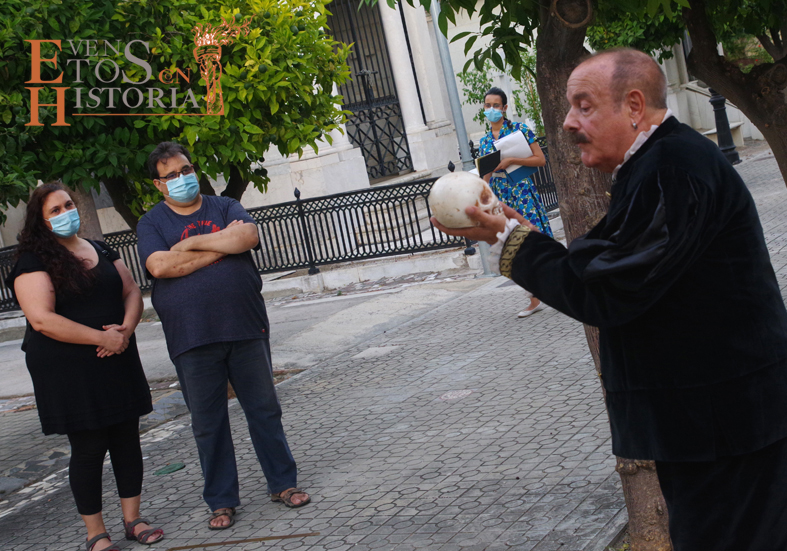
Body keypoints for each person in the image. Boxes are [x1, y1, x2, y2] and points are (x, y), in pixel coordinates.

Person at [432, 48, 787, 550]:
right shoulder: (656, 164)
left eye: (584, 106)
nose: (568, 122)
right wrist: (516, 232)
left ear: (634, 106)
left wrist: (507, 239)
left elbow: (609, 289)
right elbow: (607, 261)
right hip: (715, 424)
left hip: (729, 427)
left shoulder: (674, 167)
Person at [135, 142, 309, 530]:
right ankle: (222, 501)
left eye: (186, 170)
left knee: (264, 410)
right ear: (159, 185)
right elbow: (160, 265)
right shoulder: (151, 223)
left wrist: (190, 243)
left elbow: (246, 237)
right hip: (192, 337)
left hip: (245, 326)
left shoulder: (225, 206)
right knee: (208, 423)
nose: (182, 178)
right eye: (171, 175)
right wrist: (220, 245)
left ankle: (283, 484)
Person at [7, 183, 163, 551]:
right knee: (90, 447)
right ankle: (96, 534)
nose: (66, 213)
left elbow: (131, 291)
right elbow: (42, 319)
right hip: (69, 369)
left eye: (68, 205)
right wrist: (101, 338)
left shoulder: (101, 248)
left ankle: (133, 519)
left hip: (117, 356)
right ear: (41, 221)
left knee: (127, 439)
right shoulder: (32, 261)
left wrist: (124, 330)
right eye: (55, 210)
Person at [478, 87, 551, 318]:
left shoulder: (519, 130)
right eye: (487, 105)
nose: (491, 109)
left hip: (522, 192)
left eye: (496, 105)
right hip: (502, 196)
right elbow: (485, 176)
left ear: (504, 108)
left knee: (535, 240)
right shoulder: (484, 141)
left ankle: (554, 286)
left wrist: (511, 160)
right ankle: (534, 297)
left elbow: (540, 159)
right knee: (513, 247)